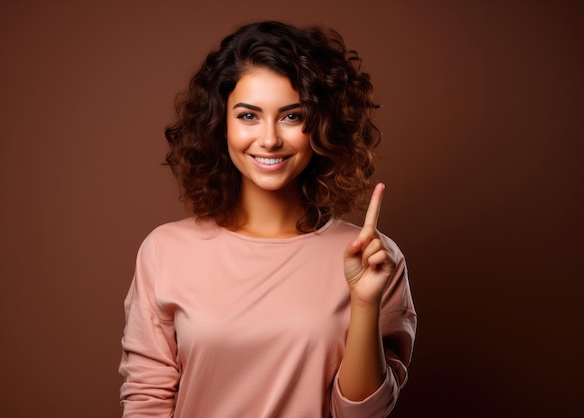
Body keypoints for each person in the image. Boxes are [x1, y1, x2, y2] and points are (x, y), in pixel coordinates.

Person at [119, 20, 417, 418]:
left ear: (322, 125)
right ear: (219, 123)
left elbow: (364, 414)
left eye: (292, 116)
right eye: (248, 116)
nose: (270, 138)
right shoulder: (165, 251)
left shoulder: (372, 260)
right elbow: (146, 402)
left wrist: (365, 303)